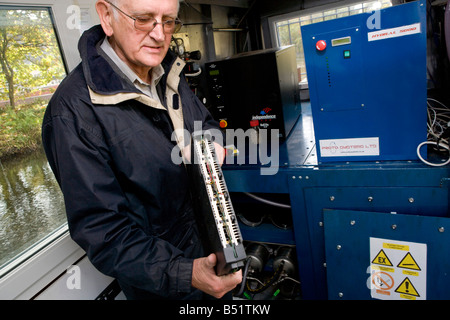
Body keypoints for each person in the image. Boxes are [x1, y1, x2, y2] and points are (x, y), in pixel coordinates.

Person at [42, 0, 242, 300]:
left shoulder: (168, 73)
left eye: (169, 21)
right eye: (144, 19)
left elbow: (206, 122)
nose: (160, 35)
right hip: (163, 284)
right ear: (107, 16)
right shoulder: (72, 113)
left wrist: (212, 142)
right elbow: (105, 233)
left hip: (210, 248)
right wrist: (185, 273)